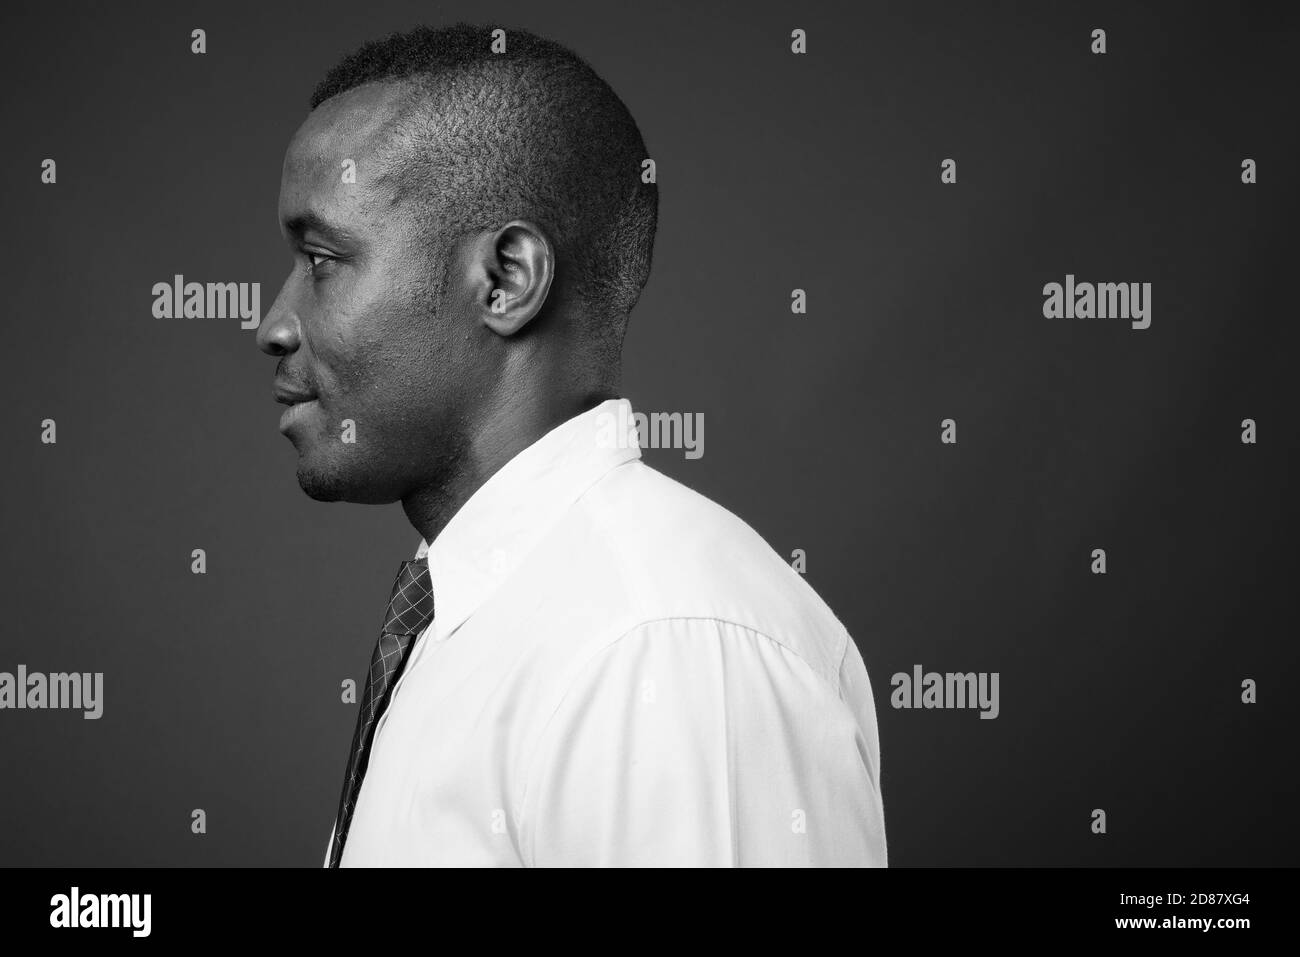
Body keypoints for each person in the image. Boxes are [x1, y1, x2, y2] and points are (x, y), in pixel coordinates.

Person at [256, 22, 886, 867]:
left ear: (507, 278)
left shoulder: (661, 645)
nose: (274, 322)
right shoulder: (477, 615)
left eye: (324, 257)